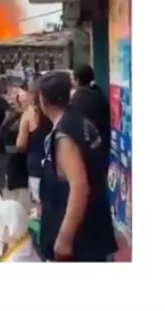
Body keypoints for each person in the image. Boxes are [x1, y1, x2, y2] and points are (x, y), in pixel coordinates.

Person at [37, 70, 118, 262]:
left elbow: (79, 186)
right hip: (93, 227)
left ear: (44, 100)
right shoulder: (78, 121)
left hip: (81, 239)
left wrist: (64, 237)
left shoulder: (65, 136)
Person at [15, 76, 52, 207]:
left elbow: (20, 144)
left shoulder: (29, 115)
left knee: (40, 207)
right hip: (56, 167)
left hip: (36, 167)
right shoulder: (55, 111)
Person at [70, 63, 112, 155]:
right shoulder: (98, 92)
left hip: (91, 150)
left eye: (73, 79)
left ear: (77, 80)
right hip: (103, 145)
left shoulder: (80, 97)